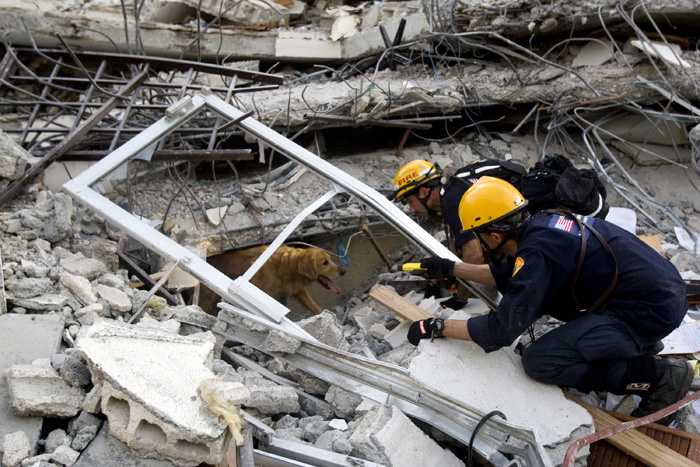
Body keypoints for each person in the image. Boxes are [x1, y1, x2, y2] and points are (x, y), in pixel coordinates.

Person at [407, 176, 693, 425]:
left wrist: (439, 327)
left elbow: (500, 331)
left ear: (494, 235)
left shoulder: (538, 254)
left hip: (648, 312)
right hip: (657, 293)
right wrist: (452, 268)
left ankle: (660, 376)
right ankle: (635, 344)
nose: (480, 245)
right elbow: (510, 273)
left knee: (541, 361)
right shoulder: (541, 226)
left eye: (480, 238)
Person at [388, 159, 484, 309]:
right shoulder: (451, 194)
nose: (411, 210)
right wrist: (435, 279)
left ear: (423, 192)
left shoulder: (452, 202)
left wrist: (460, 297)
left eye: (410, 201)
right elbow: (456, 243)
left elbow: (474, 255)